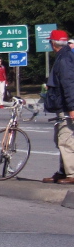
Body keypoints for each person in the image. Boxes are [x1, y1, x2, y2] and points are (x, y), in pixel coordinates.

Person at [42, 29, 74, 184]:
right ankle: (63, 171)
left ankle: (72, 173)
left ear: (54, 44)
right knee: (60, 139)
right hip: (62, 105)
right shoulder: (65, 56)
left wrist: (72, 107)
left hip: (65, 106)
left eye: (50, 41)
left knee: (66, 139)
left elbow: (68, 84)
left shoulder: (64, 59)